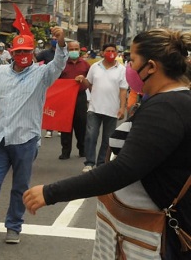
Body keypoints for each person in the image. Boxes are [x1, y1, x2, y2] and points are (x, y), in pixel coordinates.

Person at [23, 29, 191, 259]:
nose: (129, 67)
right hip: (135, 233)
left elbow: (123, 169)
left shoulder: (167, 108)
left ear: (151, 67)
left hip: (151, 239)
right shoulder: (169, 101)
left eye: (132, 61)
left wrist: (51, 192)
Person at [0, 25, 67, 244]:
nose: (22, 56)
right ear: (12, 53)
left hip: (25, 139)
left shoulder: (43, 74)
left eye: (26, 52)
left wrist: (60, 42)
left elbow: (60, 63)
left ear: (32, 53)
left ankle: (13, 227)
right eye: (19, 52)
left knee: (20, 187)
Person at [80, 43, 128, 173]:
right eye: (108, 50)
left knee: (107, 139)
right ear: (102, 52)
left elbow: (123, 90)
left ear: (117, 53)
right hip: (94, 108)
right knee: (91, 135)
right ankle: (89, 162)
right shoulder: (95, 67)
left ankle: (101, 163)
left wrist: (122, 108)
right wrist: (82, 79)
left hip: (112, 109)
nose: (111, 53)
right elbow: (89, 83)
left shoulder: (122, 70)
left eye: (113, 50)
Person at [57, 41, 90, 160]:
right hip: (65, 98)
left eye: (76, 48)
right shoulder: (62, 64)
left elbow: (90, 81)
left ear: (80, 49)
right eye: (71, 49)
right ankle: (65, 151)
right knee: (65, 124)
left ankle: (82, 148)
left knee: (81, 123)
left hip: (80, 97)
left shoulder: (85, 65)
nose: (74, 51)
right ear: (67, 50)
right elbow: (56, 81)